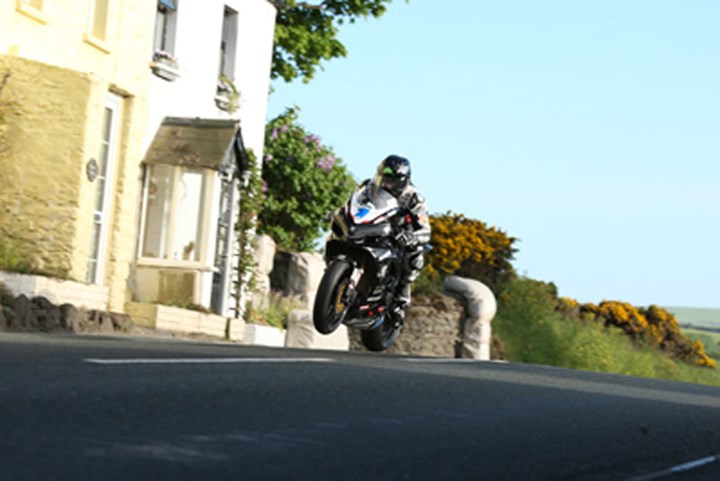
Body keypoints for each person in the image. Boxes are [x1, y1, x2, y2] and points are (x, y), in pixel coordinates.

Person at [370, 154, 431, 318]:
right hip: (372, 227)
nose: (388, 184)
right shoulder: (369, 187)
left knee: (414, 255)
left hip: (399, 235)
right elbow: (353, 203)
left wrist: (412, 237)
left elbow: (426, 229)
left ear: (403, 181)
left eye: (393, 181)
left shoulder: (414, 197)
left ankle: (401, 298)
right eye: (386, 178)